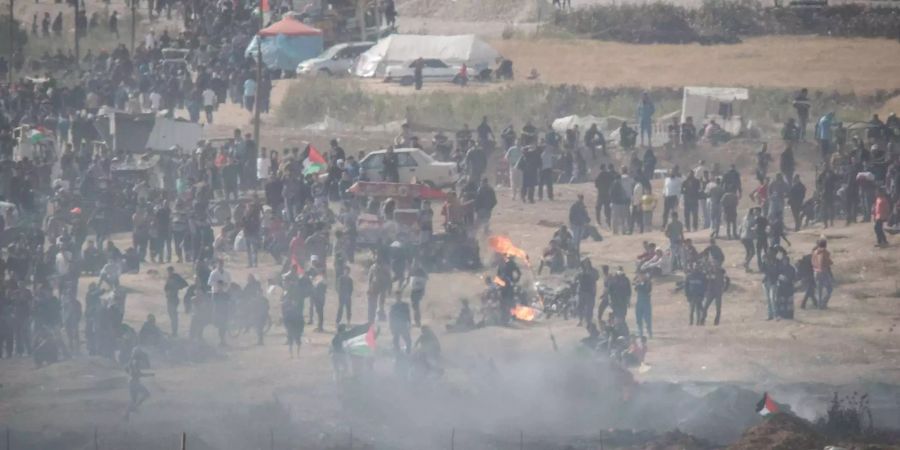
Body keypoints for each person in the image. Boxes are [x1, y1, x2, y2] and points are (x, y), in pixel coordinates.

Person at [164, 266, 189, 336]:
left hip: (174, 298)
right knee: (171, 314)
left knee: (173, 316)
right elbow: (166, 287)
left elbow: (185, 283)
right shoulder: (169, 278)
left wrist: (178, 287)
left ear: (172, 271)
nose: (169, 273)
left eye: (170, 271)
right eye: (168, 271)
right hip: (169, 298)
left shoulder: (176, 277)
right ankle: (174, 331)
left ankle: (174, 332)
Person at [367, 255, 392, 323]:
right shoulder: (373, 267)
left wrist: (390, 288)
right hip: (375, 285)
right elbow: (370, 277)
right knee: (373, 302)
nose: (378, 263)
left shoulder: (385, 267)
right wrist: (369, 287)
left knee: (381, 302)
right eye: (377, 261)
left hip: (383, 285)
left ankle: (381, 316)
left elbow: (389, 277)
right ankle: (372, 317)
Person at [575, 258, 599, 327]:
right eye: (584, 263)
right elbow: (576, 278)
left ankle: (589, 321)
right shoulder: (580, 271)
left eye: (587, 263)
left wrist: (589, 273)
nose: (586, 264)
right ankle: (580, 320)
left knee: (589, 308)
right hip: (581, 291)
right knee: (579, 306)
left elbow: (597, 277)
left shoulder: (594, 271)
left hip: (590, 292)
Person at [406, 261, 428, 327]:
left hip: (419, 291)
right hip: (414, 291)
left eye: (416, 264)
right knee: (415, 307)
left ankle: (417, 322)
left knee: (416, 307)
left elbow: (425, 280)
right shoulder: (412, 271)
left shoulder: (421, 271)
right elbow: (408, 281)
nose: (414, 266)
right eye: (414, 264)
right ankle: (417, 321)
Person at [633, 271, 652, 338]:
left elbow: (647, 290)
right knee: (639, 319)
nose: (640, 277)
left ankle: (649, 332)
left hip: (646, 303)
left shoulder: (648, 282)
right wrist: (638, 283)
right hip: (639, 302)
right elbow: (635, 288)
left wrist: (641, 284)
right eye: (639, 275)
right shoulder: (638, 282)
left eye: (641, 275)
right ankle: (640, 333)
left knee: (647, 319)